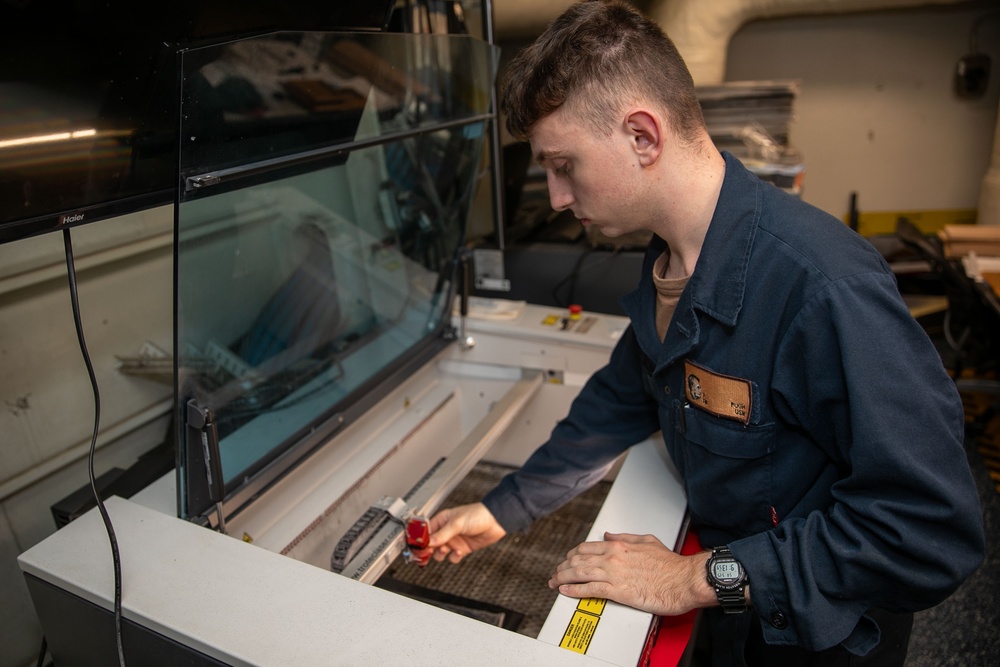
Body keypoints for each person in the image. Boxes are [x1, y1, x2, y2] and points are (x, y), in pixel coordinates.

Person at [421, 1, 985, 664]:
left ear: (643, 137)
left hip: (817, 635)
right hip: (736, 612)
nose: (556, 198)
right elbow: (622, 397)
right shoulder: (668, 259)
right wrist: (501, 510)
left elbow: (928, 529)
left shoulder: (822, 285)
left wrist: (691, 577)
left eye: (564, 165)